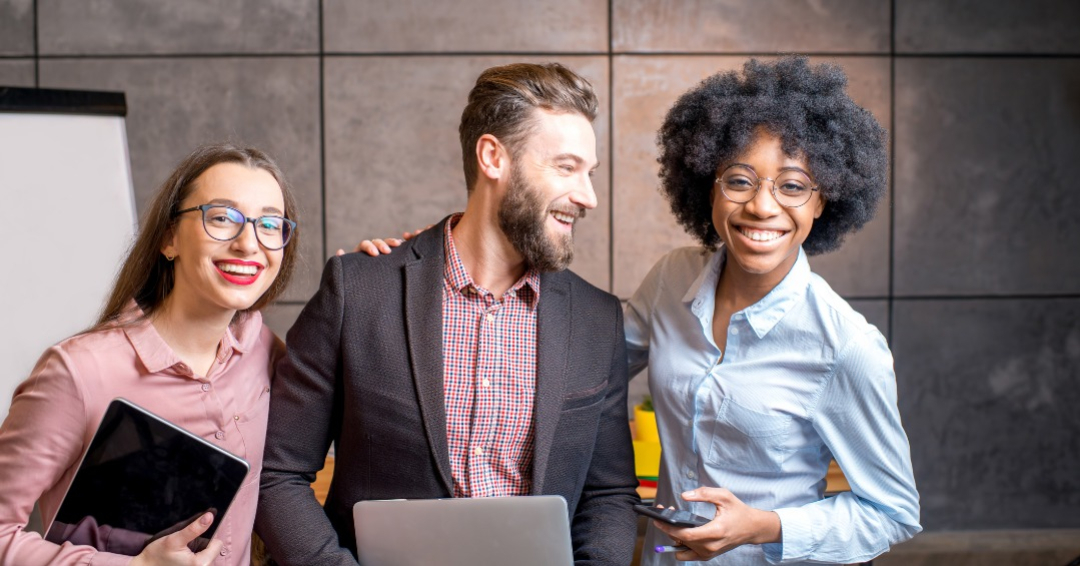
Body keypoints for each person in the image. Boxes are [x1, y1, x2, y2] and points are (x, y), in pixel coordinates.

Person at [254, 62, 639, 566]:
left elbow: (610, 495)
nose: (587, 196)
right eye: (566, 167)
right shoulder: (359, 291)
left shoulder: (597, 320)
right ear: (493, 157)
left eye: (589, 173)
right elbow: (277, 472)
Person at [627, 56, 921, 564]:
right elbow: (589, 363)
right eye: (740, 180)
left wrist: (764, 527)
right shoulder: (671, 278)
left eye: (791, 185)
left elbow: (892, 513)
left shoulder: (844, 345)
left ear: (821, 202)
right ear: (708, 184)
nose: (763, 207)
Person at [0, 143, 300, 566]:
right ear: (168, 238)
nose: (248, 243)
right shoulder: (80, 372)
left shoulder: (266, 354)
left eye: (269, 224)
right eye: (221, 218)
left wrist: (381, 268)